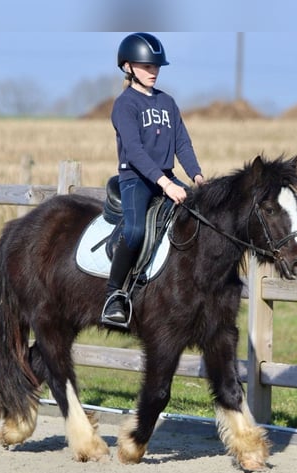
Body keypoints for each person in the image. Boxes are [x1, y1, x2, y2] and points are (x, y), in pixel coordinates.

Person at [101, 32, 205, 327]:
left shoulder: (168, 103)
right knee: (134, 231)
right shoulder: (125, 104)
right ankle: (114, 295)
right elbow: (134, 151)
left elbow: (182, 144)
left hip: (167, 176)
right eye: (147, 67)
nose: (153, 72)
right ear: (128, 67)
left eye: (156, 67)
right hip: (136, 179)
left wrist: (196, 175)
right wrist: (166, 183)